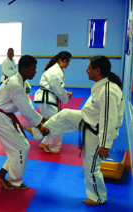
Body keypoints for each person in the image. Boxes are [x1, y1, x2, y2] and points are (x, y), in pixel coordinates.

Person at [24, 56, 124, 205]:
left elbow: (108, 120)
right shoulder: (101, 85)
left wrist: (105, 144)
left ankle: (98, 197)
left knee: (90, 167)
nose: (86, 70)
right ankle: (39, 131)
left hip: (98, 132)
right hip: (88, 120)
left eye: (89, 67)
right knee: (66, 114)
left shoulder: (108, 91)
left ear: (98, 70)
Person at [0, 55, 49, 190]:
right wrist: (40, 125)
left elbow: (27, 105)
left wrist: (41, 120)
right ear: (24, 69)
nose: (35, 72)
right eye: (33, 69)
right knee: (21, 147)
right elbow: (25, 109)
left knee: (18, 148)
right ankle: (14, 181)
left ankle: (1, 175)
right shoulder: (16, 85)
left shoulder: (23, 82)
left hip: (5, 115)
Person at [34, 51, 73, 153]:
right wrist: (65, 96)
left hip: (48, 98)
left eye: (69, 61)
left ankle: (44, 143)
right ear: (60, 60)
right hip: (47, 100)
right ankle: (53, 148)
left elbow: (57, 88)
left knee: (51, 122)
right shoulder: (55, 71)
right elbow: (58, 88)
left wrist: (65, 93)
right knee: (57, 123)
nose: (68, 63)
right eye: (67, 61)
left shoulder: (57, 69)